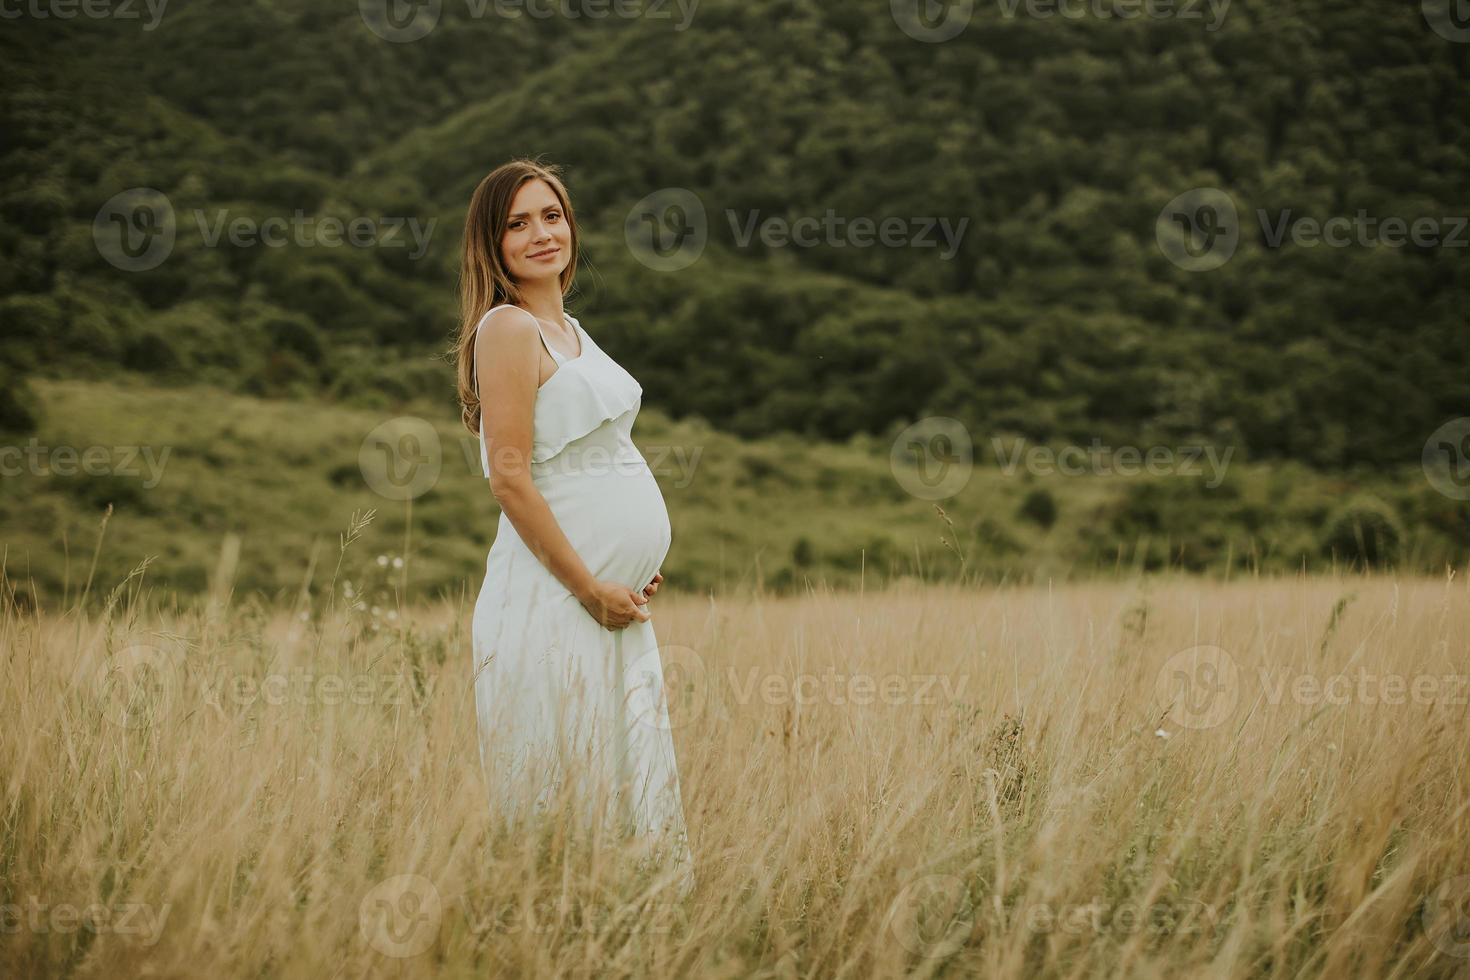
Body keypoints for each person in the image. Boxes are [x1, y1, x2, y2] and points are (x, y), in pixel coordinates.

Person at [453, 158, 693, 894]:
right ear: (491, 245)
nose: (540, 234)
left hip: (607, 604)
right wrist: (589, 584)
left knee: (624, 786)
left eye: (550, 215)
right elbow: (509, 475)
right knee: (567, 797)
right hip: (555, 603)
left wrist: (631, 558)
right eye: (517, 223)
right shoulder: (507, 327)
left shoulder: (571, 329)